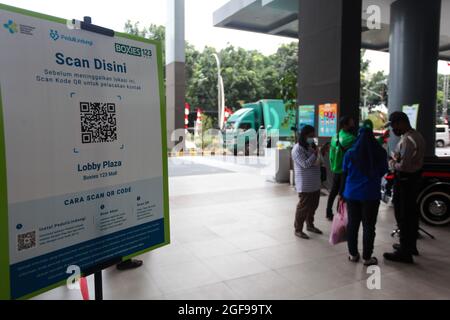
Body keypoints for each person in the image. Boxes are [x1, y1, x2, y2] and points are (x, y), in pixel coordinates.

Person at [340, 127, 388, 266]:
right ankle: (367, 258)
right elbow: (383, 171)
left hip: (352, 194)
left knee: (353, 225)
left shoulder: (349, 153)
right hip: (371, 194)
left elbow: (345, 173)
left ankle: (353, 254)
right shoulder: (380, 152)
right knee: (369, 226)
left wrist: (341, 193)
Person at [383, 112, 425, 264]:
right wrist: (396, 157)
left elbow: (404, 165)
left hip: (405, 180)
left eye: (394, 125)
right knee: (411, 214)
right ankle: (409, 246)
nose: (393, 129)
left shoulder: (408, 140)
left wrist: (392, 163)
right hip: (413, 180)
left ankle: (405, 252)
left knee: (403, 215)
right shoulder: (416, 136)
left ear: (401, 123)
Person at [292, 125, 323, 239]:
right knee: (303, 207)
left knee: (313, 206)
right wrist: (315, 154)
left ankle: (310, 225)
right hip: (305, 184)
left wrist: (320, 153)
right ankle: (298, 229)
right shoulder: (297, 149)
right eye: (310, 136)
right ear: (304, 135)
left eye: (313, 135)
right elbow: (305, 164)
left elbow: (317, 161)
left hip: (315, 182)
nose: (313, 137)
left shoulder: (310, 146)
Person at [326, 116, 357, 220]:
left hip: (335, 169)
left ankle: (328, 212)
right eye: (351, 122)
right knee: (342, 192)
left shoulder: (335, 136)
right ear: (345, 125)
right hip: (345, 170)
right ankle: (340, 214)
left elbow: (330, 154)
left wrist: (333, 166)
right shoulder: (351, 138)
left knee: (333, 191)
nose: (353, 124)